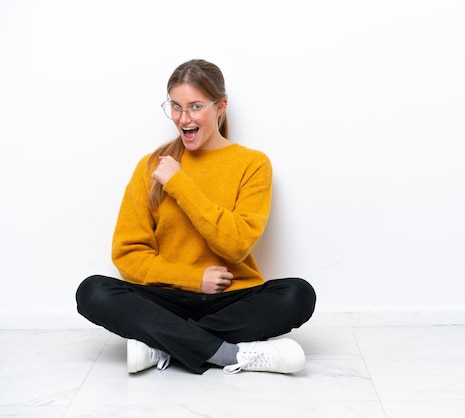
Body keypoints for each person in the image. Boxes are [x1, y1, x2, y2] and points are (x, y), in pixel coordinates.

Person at [75, 59, 316, 375]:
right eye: (175, 106)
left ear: (221, 106)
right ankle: (230, 354)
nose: (183, 118)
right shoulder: (151, 167)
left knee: (298, 294)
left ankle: (160, 344)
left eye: (195, 106)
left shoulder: (252, 164)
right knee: (92, 291)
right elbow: (128, 256)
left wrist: (180, 185)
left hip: (232, 298)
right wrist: (193, 280)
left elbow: (237, 245)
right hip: (167, 297)